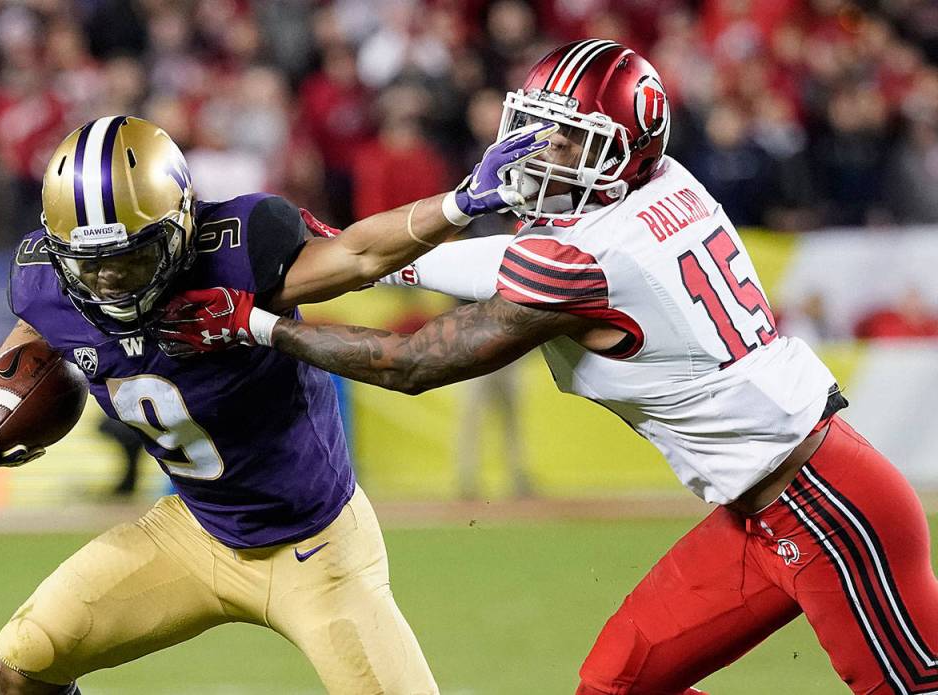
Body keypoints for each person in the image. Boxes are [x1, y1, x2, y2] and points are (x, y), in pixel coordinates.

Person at [159, 40, 938, 695]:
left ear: (622, 150)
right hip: (759, 509)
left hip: (828, 510)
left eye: (569, 139)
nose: (543, 151)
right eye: (540, 128)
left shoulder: (593, 258)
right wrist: (381, 259)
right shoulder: (663, 187)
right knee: (612, 686)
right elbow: (517, 258)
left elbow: (413, 362)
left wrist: (261, 325)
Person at [0, 115, 555, 695]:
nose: (112, 284)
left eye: (131, 259)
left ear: (182, 222)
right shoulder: (48, 280)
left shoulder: (240, 250)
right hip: (192, 530)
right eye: (92, 265)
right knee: (19, 665)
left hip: (315, 549)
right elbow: (39, 329)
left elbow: (358, 254)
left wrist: (459, 202)